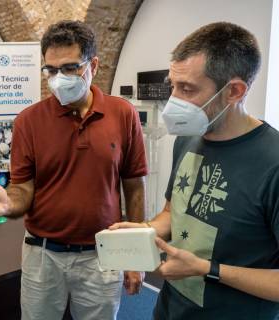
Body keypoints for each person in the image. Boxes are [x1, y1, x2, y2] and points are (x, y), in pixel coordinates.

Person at [0, 20, 148, 319]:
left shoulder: (122, 114)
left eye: (70, 68)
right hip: (43, 254)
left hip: (102, 255)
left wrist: (136, 255)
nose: (58, 78)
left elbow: (134, 185)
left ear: (94, 65)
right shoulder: (28, 121)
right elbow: (23, 189)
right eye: (50, 70)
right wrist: (7, 205)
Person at [110, 22, 279, 319]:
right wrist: (146, 230)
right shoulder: (188, 139)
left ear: (234, 91)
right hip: (171, 308)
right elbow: (173, 213)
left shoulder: (272, 163)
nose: (173, 101)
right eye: (172, 85)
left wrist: (206, 269)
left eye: (187, 89)